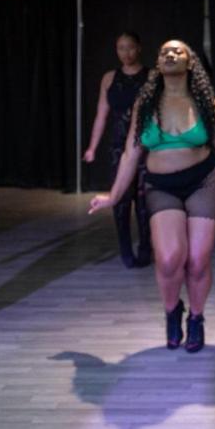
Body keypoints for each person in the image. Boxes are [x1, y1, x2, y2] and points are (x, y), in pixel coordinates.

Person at [89, 39, 215, 353]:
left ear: (190, 63)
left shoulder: (208, 105)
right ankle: (173, 310)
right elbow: (130, 154)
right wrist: (113, 195)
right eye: (163, 52)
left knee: (198, 260)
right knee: (170, 258)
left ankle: (197, 318)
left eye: (178, 51)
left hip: (204, 181)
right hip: (161, 185)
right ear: (158, 65)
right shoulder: (144, 105)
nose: (169, 55)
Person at [84, 31, 152, 268]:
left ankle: (146, 247)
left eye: (130, 47)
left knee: (145, 200)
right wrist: (92, 147)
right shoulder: (109, 78)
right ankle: (125, 248)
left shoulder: (151, 76)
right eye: (121, 48)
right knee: (121, 199)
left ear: (139, 48)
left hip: (146, 147)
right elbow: (101, 115)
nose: (126, 53)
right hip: (118, 146)